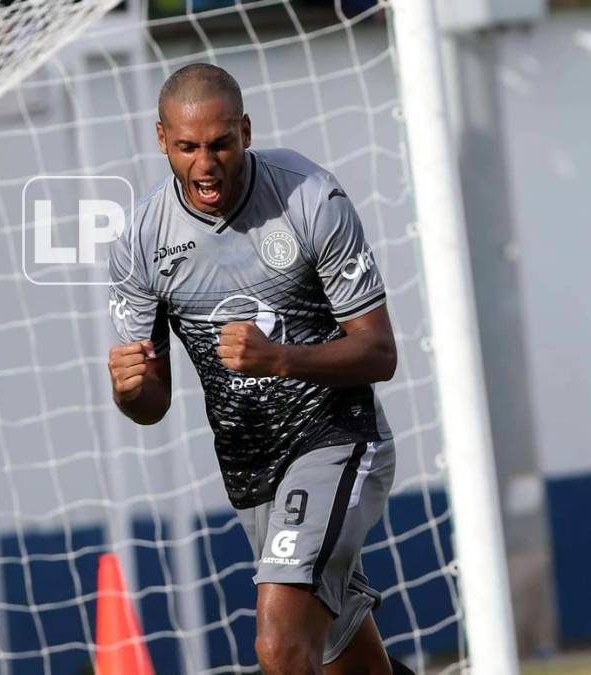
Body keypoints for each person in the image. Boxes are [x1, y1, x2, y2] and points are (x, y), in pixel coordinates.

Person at [107, 63, 412, 675]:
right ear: (162, 140)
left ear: (245, 131)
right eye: (189, 147)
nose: (206, 163)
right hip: (249, 466)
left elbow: (380, 352)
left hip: (335, 437)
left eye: (221, 143)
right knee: (343, 662)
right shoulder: (141, 238)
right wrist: (130, 388)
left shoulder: (308, 198)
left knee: (277, 645)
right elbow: (151, 406)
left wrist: (280, 359)